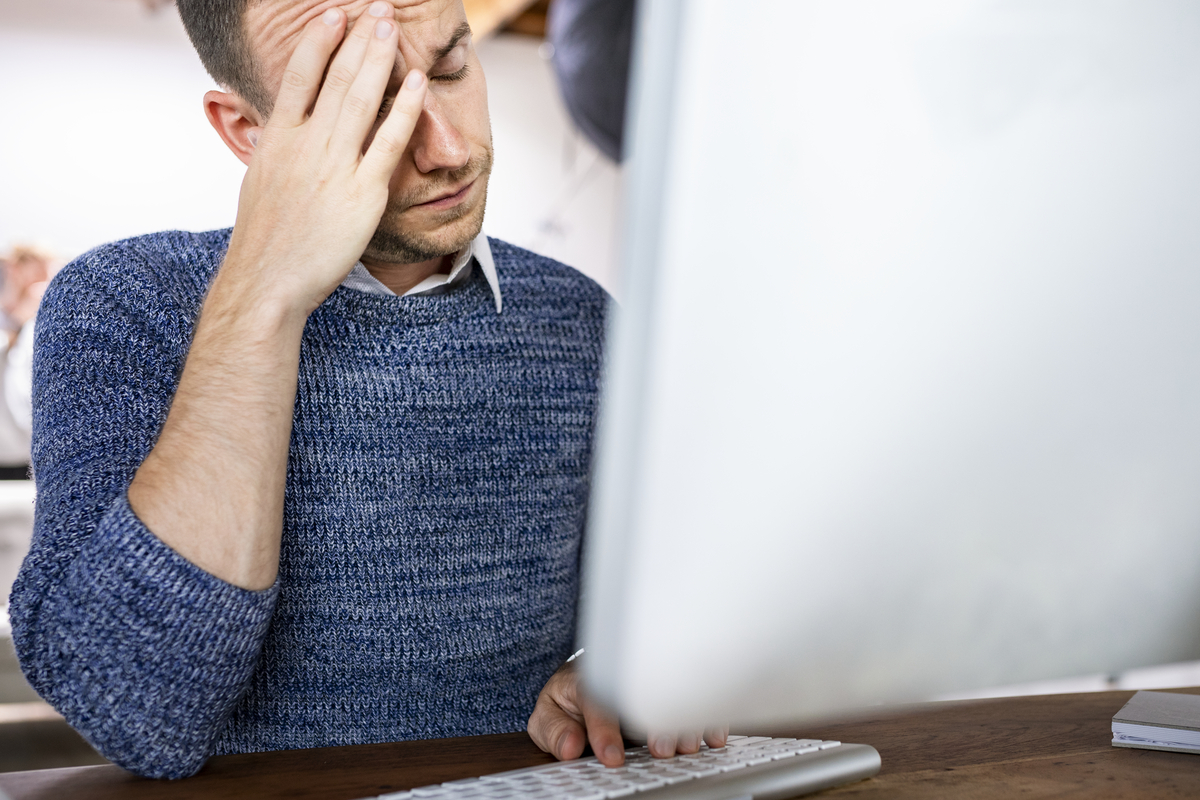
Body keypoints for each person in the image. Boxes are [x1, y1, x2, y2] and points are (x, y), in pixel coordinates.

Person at [8, 0, 721, 780]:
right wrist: (264, 300)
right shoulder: (124, 305)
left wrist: (616, 673)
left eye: (450, 68)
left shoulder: (585, 321)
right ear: (249, 131)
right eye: (366, 104)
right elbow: (133, 713)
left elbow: (657, 618)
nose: (447, 150)